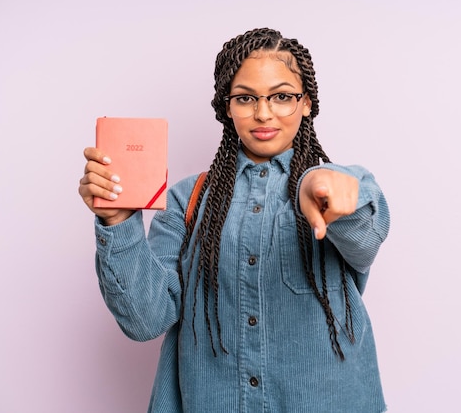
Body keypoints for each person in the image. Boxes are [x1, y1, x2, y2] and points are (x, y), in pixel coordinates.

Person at [78, 27, 390, 413]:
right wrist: (117, 221)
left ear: (306, 103)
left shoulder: (340, 185)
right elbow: (144, 320)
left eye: (281, 97)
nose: (263, 113)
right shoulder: (185, 200)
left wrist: (324, 186)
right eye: (245, 98)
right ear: (227, 107)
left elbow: (366, 235)